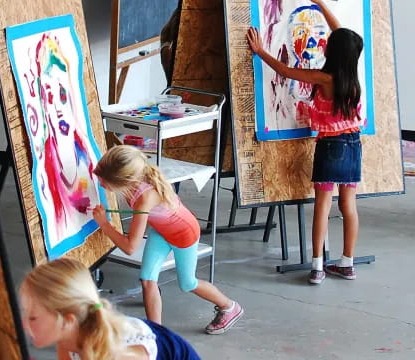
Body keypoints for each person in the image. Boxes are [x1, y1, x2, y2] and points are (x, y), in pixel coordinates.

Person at [247, 0, 364, 285]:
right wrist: (321, 4)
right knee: (348, 206)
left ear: (329, 50)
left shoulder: (323, 78)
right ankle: (347, 262)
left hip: (330, 147)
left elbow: (286, 72)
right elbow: (344, 37)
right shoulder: (351, 70)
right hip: (353, 144)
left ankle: (317, 266)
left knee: (322, 206)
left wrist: (261, 51)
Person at [92, 145, 243, 334]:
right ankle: (157, 334)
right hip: (162, 231)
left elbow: (131, 247)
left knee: (187, 283)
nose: (100, 185)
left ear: (125, 180)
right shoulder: (137, 176)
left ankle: (229, 307)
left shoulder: (144, 198)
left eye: (104, 183)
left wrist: (104, 225)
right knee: (147, 280)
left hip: (184, 234)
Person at [20, 258, 201, 360]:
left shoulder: (120, 355)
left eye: (33, 317)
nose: (23, 323)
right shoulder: (68, 338)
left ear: (68, 321)